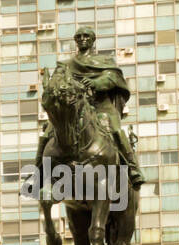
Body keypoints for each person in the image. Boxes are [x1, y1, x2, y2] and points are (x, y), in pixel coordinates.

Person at [35, 26, 145, 188]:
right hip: (73, 107)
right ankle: (38, 174)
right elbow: (57, 81)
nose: (82, 39)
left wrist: (96, 83)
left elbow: (112, 78)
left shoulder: (105, 61)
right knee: (48, 132)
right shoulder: (65, 64)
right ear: (75, 41)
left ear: (93, 40)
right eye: (78, 36)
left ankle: (132, 167)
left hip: (100, 106)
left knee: (116, 130)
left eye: (86, 36)